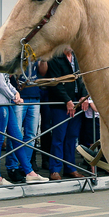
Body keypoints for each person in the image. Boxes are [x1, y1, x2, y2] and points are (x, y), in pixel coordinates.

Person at [0, 38, 29, 186]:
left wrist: (16, 93)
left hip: (6, 102)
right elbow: (1, 85)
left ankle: (30, 172)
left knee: (17, 137)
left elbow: (7, 82)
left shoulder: (1, 60)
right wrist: (14, 97)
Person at [40, 47, 88, 181]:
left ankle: (70, 168)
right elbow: (55, 82)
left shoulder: (76, 57)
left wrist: (83, 96)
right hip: (61, 104)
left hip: (76, 102)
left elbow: (83, 77)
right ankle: (55, 169)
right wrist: (67, 100)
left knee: (72, 137)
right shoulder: (55, 57)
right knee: (58, 137)